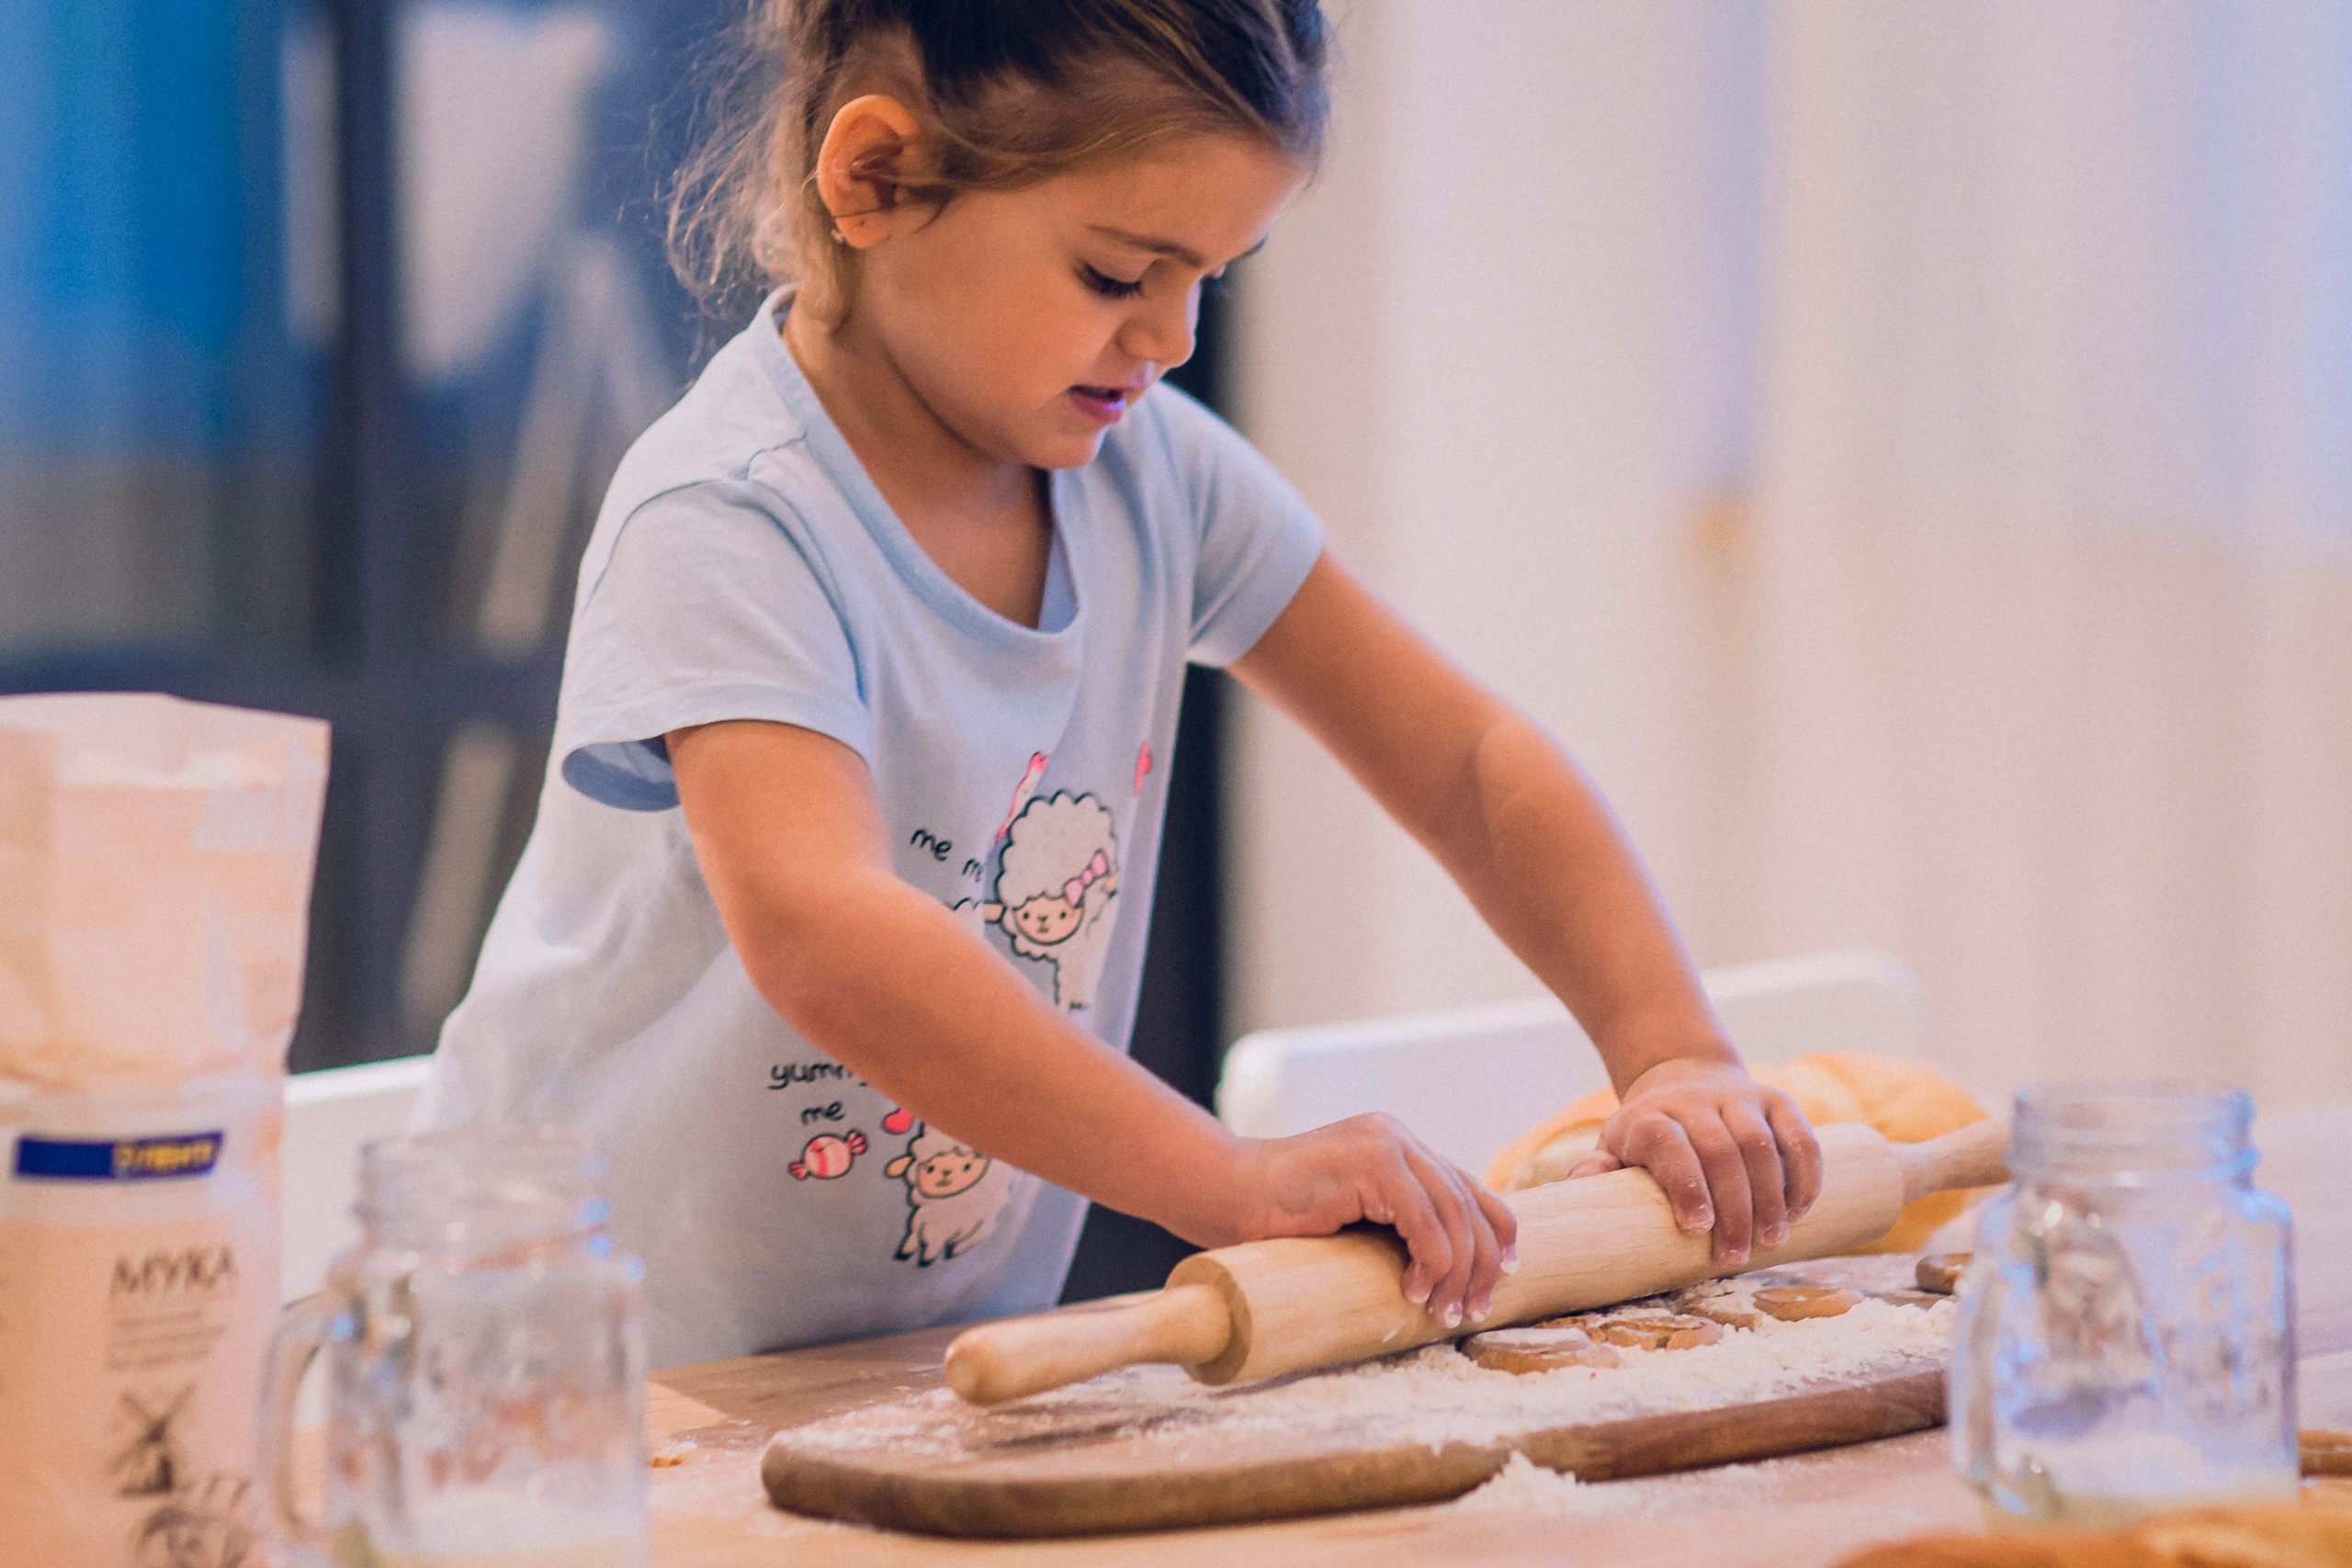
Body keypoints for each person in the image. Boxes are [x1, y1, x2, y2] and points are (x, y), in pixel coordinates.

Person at [414, 0, 1823, 1371]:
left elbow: (1465, 759)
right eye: (1116, 274)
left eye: (1215, 272)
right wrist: (1224, 1177)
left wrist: (1669, 1049)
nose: (1175, 339)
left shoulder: (1158, 481)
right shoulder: (732, 518)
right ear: (878, 177)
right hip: (568, 1374)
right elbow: (824, 932)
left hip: (899, 1373)